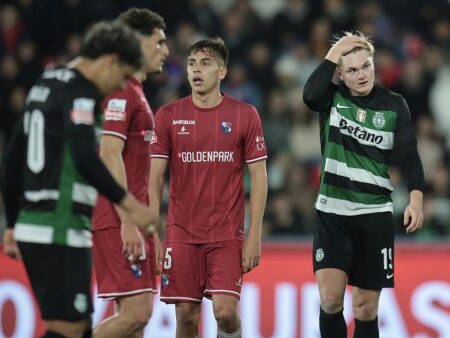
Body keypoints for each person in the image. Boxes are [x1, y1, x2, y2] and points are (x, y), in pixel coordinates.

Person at [1, 21, 153, 338]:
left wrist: (13, 223)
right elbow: (86, 157)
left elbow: (13, 159)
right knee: (67, 331)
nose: (116, 87)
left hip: (36, 223)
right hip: (60, 226)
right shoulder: (80, 92)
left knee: (81, 328)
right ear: (110, 60)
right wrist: (128, 204)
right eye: (120, 75)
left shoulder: (45, 84)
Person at [303, 31, 425, 338]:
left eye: (366, 66)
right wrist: (335, 52)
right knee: (331, 300)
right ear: (340, 75)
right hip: (333, 213)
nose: (361, 75)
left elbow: (409, 155)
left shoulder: (394, 104)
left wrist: (416, 199)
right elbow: (309, 96)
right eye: (352, 70)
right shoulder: (330, 97)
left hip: (375, 214)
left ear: (374, 66)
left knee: (366, 308)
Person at [149, 37, 268, 338]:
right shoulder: (168, 116)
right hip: (182, 233)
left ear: (222, 72)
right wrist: (152, 234)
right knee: (186, 318)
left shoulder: (244, 115)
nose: (196, 70)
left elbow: (259, 178)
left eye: (205, 63)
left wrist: (254, 235)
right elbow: (154, 179)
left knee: (225, 313)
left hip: (226, 235)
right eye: (191, 63)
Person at [91, 8, 169, 338]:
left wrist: (150, 229)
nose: (165, 50)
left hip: (133, 218)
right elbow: (108, 153)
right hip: (117, 216)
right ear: (137, 41)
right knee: (138, 313)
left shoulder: (137, 92)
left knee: (134, 325)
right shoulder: (121, 90)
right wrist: (126, 221)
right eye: (159, 41)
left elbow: (139, 170)